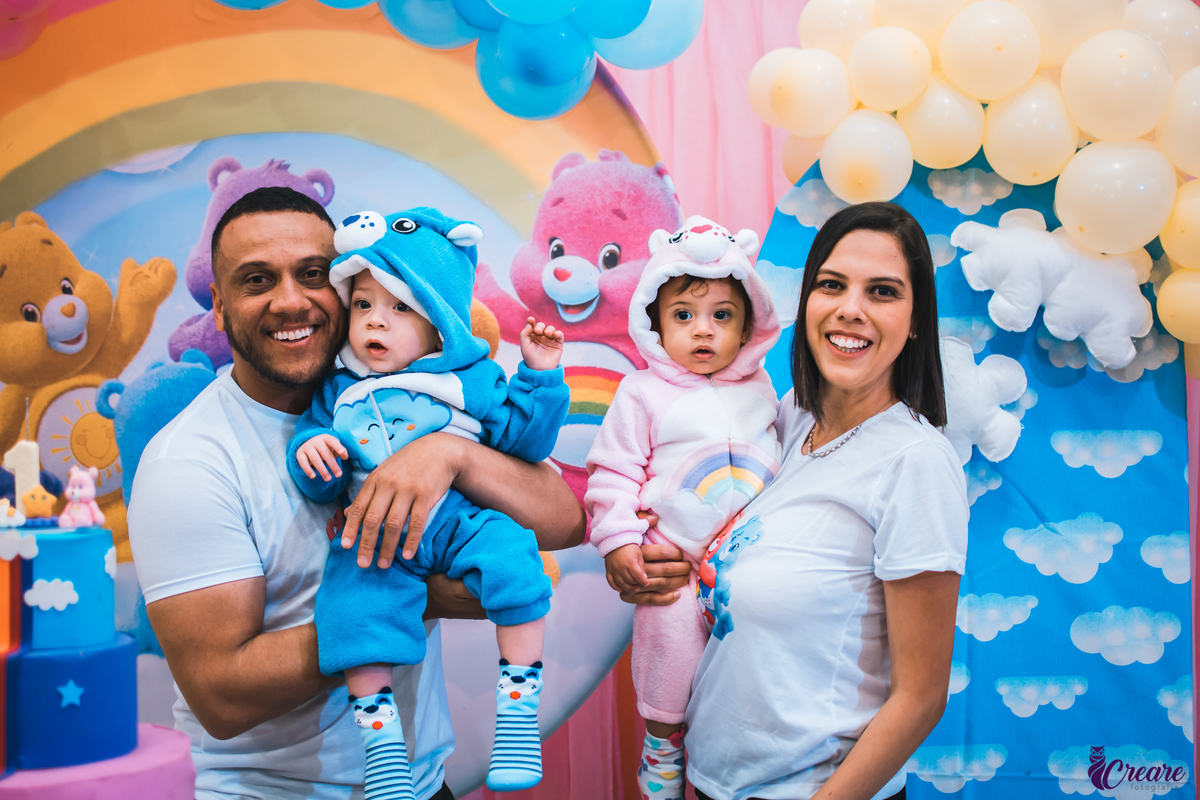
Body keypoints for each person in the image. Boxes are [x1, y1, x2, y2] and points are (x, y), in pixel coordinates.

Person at [127, 187, 586, 800]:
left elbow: (562, 522)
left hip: (425, 785)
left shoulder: (426, 392)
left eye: (312, 274)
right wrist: (409, 598)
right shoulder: (188, 463)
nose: (290, 301)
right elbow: (222, 694)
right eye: (257, 280)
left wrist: (447, 456)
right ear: (218, 305)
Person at [625, 202, 968, 800]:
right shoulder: (783, 419)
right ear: (805, 300)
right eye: (831, 285)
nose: (850, 309)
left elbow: (920, 698)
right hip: (709, 781)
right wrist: (649, 565)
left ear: (915, 320)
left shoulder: (915, 462)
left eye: (882, 291)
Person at [288, 206, 569, 798]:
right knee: (351, 613)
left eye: (399, 308)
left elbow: (523, 443)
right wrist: (312, 453)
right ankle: (383, 745)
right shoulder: (337, 388)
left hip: (459, 521)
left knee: (515, 561)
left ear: (440, 322)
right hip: (375, 536)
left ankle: (518, 711)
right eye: (363, 305)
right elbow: (318, 471)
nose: (375, 323)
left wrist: (540, 379)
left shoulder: (468, 379)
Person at [584, 216, 780, 800]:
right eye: (683, 315)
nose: (703, 331)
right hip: (673, 563)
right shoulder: (642, 393)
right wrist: (619, 542)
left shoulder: (764, 389)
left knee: (747, 666)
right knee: (669, 652)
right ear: (654, 322)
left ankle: (737, 754)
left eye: (722, 316)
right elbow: (612, 473)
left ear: (749, 326)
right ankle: (663, 748)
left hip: (748, 564)